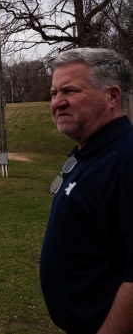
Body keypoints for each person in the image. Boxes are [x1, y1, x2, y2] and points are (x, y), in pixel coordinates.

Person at [40, 47, 133, 334]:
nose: (58, 102)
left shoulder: (126, 161)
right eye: (54, 93)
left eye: (70, 91)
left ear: (112, 97)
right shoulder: (89, 153)